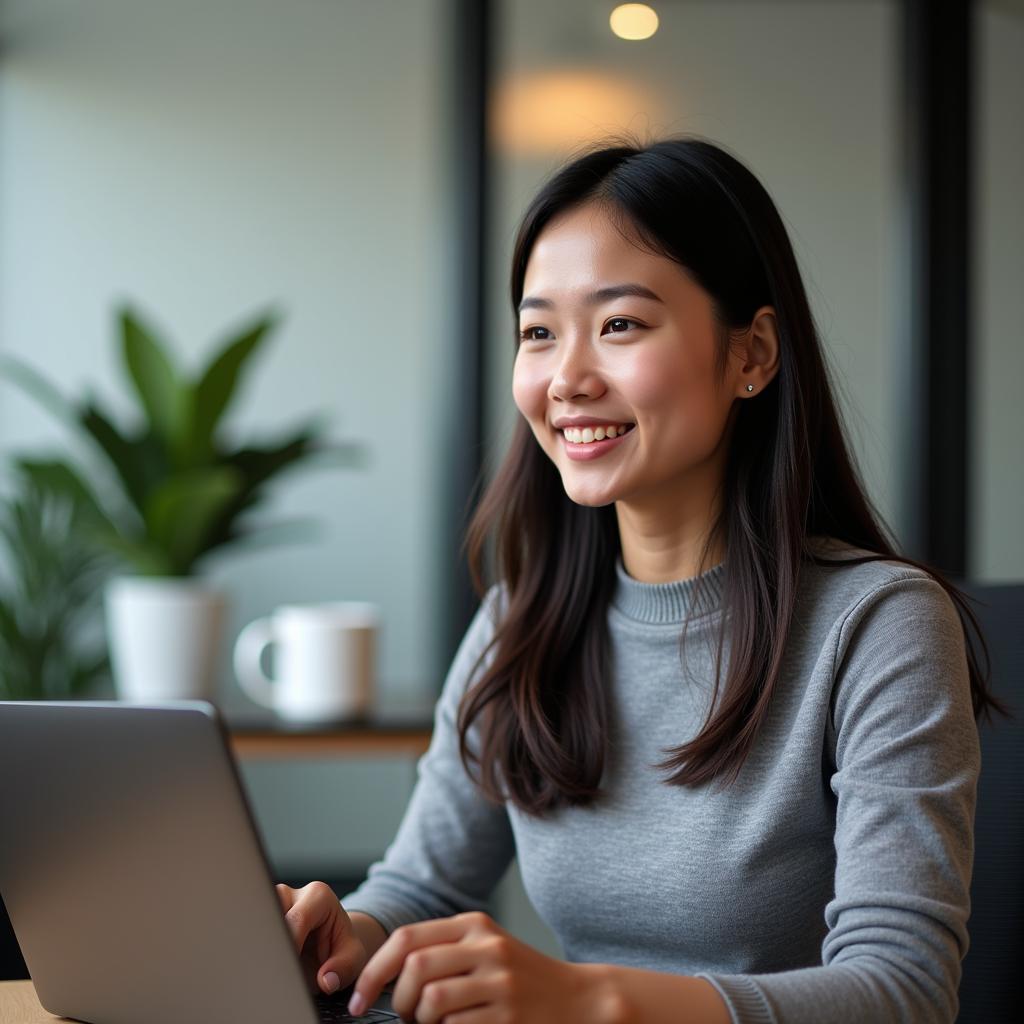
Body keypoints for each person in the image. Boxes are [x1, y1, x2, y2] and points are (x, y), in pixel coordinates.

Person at [275, 136, 1000, 1024]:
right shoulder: (521, 622)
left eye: (619, 324)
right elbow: (421, 885)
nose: (567, 378)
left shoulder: (879, 625)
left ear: (752, 356)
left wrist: (587, 1001)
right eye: (539, 333)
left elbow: (905, 992)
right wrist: (347, 933)